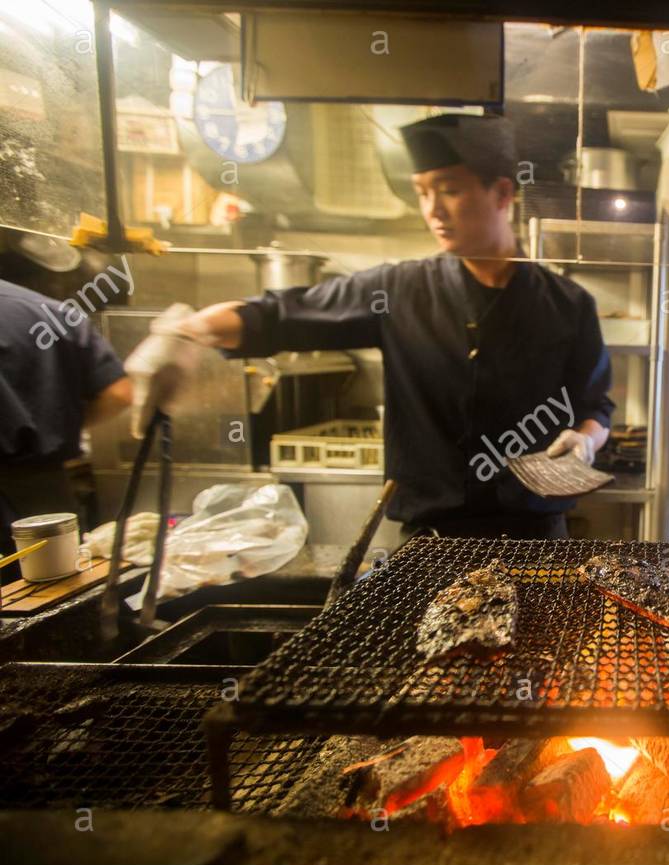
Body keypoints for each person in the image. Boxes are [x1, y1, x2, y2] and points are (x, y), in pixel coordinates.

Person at [124, 114, 613, 540]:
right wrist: (187, 332)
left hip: (535, 538)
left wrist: (586, 440)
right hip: (430, 543)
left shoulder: (568, 305)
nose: (433, 211)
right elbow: (281, 315)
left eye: (450, 189)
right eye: (423, 192)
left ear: (502, 192)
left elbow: (594, 406)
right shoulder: (399, 291)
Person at [1, 279, 133, 577]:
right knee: (59, 597)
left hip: (33, 487)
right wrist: (62, 426)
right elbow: (119, 393)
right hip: (41, 493)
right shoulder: (50, 311)